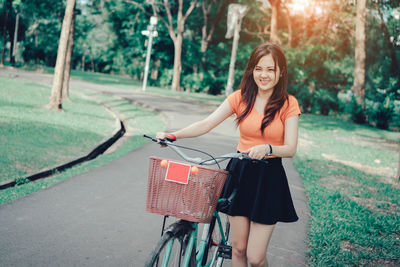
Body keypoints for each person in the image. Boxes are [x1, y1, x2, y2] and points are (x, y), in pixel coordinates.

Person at [156, 42, 300, 267]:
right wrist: (174, 135)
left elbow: (291, 147)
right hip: (240, 174)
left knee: (256, 257)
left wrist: (269, 149)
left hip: (269, 178)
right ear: (252, 70)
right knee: (238, 249)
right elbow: (206, 123)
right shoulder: (240, 97)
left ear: (280, 72)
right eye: (259, 68)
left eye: (270, 69)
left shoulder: (288, 104)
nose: (264, 75)